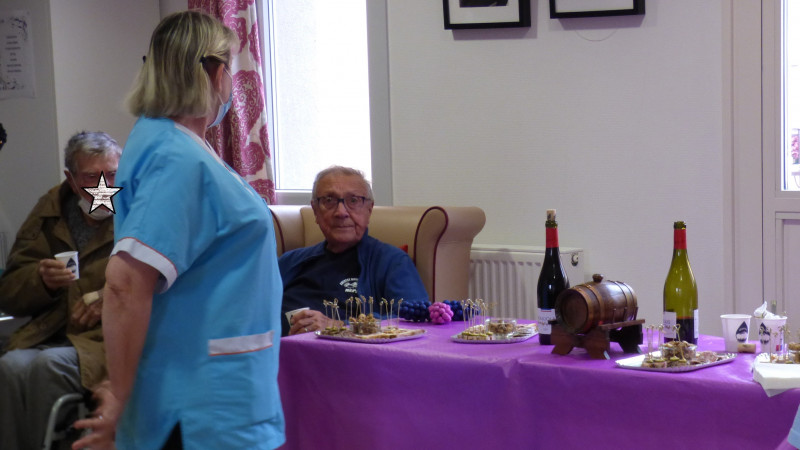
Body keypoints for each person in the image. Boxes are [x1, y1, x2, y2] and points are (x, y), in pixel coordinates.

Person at [72, 11, 284, 450]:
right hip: (202, 406)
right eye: (229, 65)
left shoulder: (177, 145)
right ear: (212, 71)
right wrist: (121, 396)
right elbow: (126, 284)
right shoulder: (176, 158)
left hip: (218, 391)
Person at [0, 131, 121, 450]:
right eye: (91, 177)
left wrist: (112, 296)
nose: (102, 187)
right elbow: (9, 291)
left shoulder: (139, 210)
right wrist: (40, 280)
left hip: (104, 338)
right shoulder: (50, 211)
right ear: (70, 178)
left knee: (48, 365)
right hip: (54, 330)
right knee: (9, 367)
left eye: (112, 175)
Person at [280, 166, 429, 336]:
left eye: (354, 201)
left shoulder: (392, 262)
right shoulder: (289, 262)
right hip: (273, 353)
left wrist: (338, 326)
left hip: (344, 357)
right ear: (315, 210)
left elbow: (414, 321)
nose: (341, 212)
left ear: (369, 209)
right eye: (329, 200)